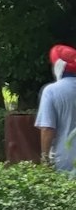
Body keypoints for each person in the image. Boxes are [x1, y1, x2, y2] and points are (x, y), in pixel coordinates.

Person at [35, 43, 76, 172]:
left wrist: (45, 159)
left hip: (66, 160)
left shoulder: (51, 91)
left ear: (58, 67)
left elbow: (47, 128)